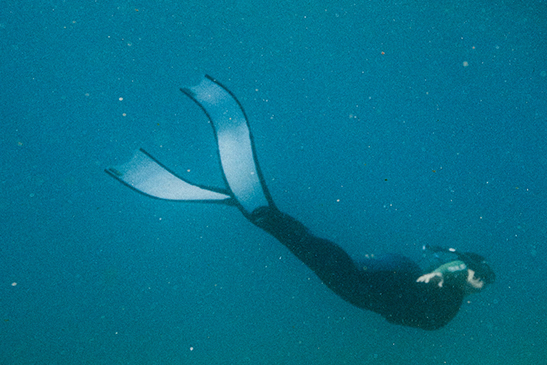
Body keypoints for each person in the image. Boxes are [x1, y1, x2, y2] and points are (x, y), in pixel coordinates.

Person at [106, 75, 494, 330]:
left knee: (313, 248)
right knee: (318, 247)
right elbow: (415, 272)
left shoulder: (446, 307)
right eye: (467, 269)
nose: (465, 275)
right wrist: (431, 277)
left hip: (358, 288)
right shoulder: (437, 271)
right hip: (369, 275)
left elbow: (415, 318)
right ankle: (260, 214)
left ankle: (263, 215)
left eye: (471, 276)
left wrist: (435, 287)